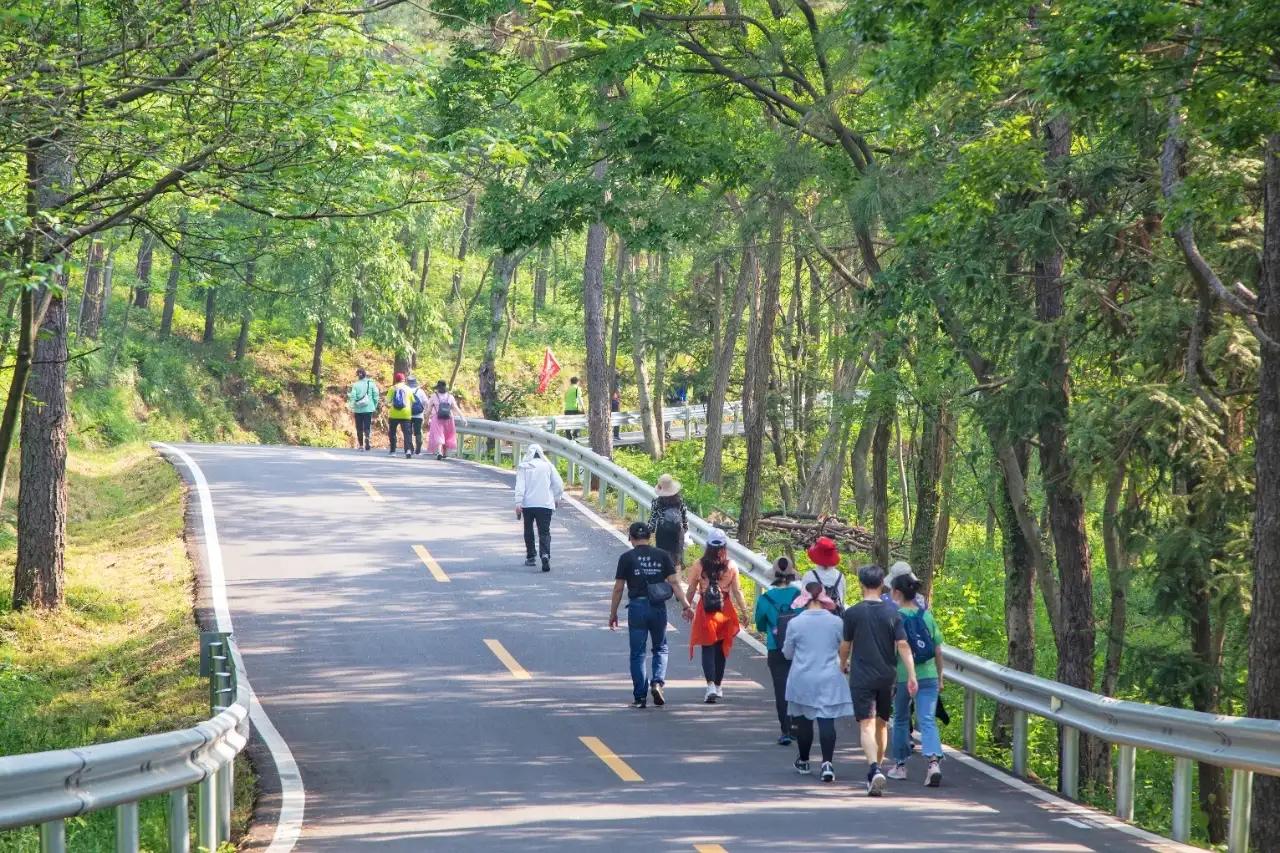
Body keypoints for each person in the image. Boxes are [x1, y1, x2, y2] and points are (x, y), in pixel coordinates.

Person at [839, 564, 918, 796]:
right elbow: (903, 645)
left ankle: (873, 769)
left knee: (866, 724)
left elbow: (846, 645)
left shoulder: (852, 613)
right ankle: (879, 768)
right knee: (883, 722)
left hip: (862, 675)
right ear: (882, 584)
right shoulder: (893, 613)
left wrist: (842, 664)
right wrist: (912, 674)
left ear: (861, 584)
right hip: (887, 676)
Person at [609, 522, 694, 708]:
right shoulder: (662, 555)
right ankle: (657, 682)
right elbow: (675, 583)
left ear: (630, 537)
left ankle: (640, 697)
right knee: (660, 648)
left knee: (638, 653)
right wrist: (687, 606)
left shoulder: (626, 558)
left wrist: (613, 613)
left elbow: (618, 589)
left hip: (637, 607)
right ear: (650, 537)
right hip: (658, 607)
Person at [784, 581, 854, 782]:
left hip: (802, 677)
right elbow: (844, 648)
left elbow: (788, 653)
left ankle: (804, 760)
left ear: (804, 599)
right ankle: (827, 764)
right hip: (829, 676)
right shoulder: (836, 622)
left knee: (804, 721)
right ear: (823, 598)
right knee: (826, 719)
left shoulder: (795, 623)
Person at [887, 570, 945, 786]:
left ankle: (900, 765)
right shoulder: (927, 616)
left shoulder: (895, 618)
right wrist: (940, 677)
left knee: (901, 718)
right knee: (927, 719)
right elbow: (938, 650)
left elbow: (893, 652)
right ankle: (933, 763)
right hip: (929, 675)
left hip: (904, 677)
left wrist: (890, 680)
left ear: (898, 593)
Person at [687, 530, 749, 704]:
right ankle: (719, 686)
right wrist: (744, 612)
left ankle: (710, 686)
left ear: (708, 546)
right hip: (725, 610)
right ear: (724, 547)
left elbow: (691, 589)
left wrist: (686, 607)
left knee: (708, 647)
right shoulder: (731, 566)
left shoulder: (699, 564)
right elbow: (737, 591)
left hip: (706, 611)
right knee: (721, 649)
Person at [754, 556, 801, 745]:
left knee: (781, 689)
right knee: (797, 687)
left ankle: (785, 730)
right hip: (798, 649)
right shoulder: (799, 596)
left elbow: (759, 625)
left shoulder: (765, 599)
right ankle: (798, 726)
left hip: (775, 648)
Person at [514, 443, 564, 572]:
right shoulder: (548, 466)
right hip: (545, 504)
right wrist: (557, 498)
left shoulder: (523, 466)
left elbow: (520, 486)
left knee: (528, 530)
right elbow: (558, 484)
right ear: (541, 454)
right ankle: (545, 554)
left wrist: (518, 503)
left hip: (528, 505)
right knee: (544, 531)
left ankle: (531, 556)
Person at [648, 474, 688, 570]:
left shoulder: (657, 502)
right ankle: (675, 581)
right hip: (677, 533)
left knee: (662, 560)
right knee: (675, 562)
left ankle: (664, 581)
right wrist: (684, 530)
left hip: (662, 533)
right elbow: (684, 520)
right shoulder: (680, 501)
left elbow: (652, 522)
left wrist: (648, 531)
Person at [804, 536, 847, 612]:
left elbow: (804, 601)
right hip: (836, 618)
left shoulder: (809, 576)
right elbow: (842, 601)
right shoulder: (840, 576)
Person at [427, 379, 461, 460]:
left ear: (438, 387)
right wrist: (462, 418)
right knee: (447, 434)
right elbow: (456, 408)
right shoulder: (450, 396)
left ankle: (439, 452)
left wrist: (426, 419)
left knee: (439, 434)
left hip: (437, 417)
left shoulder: (434, 396)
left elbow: (428, 410)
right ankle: (444, 453)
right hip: (449, 418)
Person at [347, 368, 379, 451]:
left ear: (358, 375)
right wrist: (374, 405)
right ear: (365, 374)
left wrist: (351, 406)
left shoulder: (355, 385)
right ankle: (367, 438)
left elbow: (353, 396)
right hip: (368, 408)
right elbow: (376, 395)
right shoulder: (371, 384)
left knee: (359, 427)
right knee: (367, 426)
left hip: (358, 409)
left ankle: (361, 445)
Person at [385, 372, 414, 458]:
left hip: (394, 414)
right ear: (404, 380)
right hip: (406, 414)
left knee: (392, 432)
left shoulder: (392, 388)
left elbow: (387, 402)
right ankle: (408, 450)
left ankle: (393, 451)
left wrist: (390, 405)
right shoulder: (408, 389)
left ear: (396, 380)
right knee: (407, 433)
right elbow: (412, 401)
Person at [407, 376, 429, 456]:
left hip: (407, 414)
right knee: (418, 431)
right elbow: (426, 402)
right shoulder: (420, 391)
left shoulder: (406, 390)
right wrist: (426, 411)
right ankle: (418, 448)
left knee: (408, 432)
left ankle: (410, 448)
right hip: (419, 415)